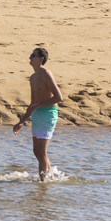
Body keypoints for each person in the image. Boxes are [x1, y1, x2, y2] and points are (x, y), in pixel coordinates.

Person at [12, 46, 64, 181]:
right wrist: (21, 121)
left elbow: (59, 97)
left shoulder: (46, 73)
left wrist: (39, 105)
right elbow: (32, 103)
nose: (30, 57)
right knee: (37, 151)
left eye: (33, 55)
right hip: (37, 114)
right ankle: (50, 177)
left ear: (41, 59)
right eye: (30, 55)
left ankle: (42, 183)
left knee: (42, 152)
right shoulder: (33, 77)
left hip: (48, 113)